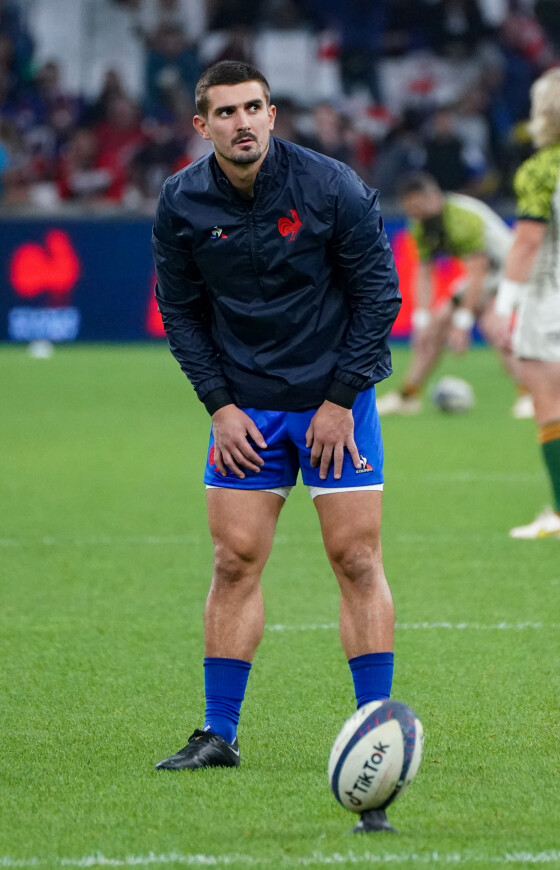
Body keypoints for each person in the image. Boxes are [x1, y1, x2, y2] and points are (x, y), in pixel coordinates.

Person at [151, 60, 402, 770]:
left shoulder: (332, 186)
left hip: (335, 405)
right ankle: (218, 732)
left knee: (355, 558)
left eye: (254, 108)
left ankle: (372, 728)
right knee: (234, 561)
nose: (243, 123)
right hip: (246, 413)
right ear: (202, 126)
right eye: (225, 113)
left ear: (271, 114)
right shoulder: (180, 202)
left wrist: (339, 400)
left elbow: (380, 297)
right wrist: (220, 408)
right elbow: (181, 312)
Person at [488, 67, 560, 539]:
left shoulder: (543, 166)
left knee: (550, 407)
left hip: (553, 296)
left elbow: (526, 242)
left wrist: (505, 305)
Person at [376, 172, 533, 419]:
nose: (414, 213)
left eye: (417, 206)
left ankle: (529, 395)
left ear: (433, 196)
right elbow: (424, 273)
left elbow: (479, 272)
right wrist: (421, 320)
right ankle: (408, 396)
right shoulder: (421, 225)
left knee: (494, 326)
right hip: (485, 274)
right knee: (435, 325)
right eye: (410, 209)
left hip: (509, 271)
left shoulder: (460, 217)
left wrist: (462, 323)